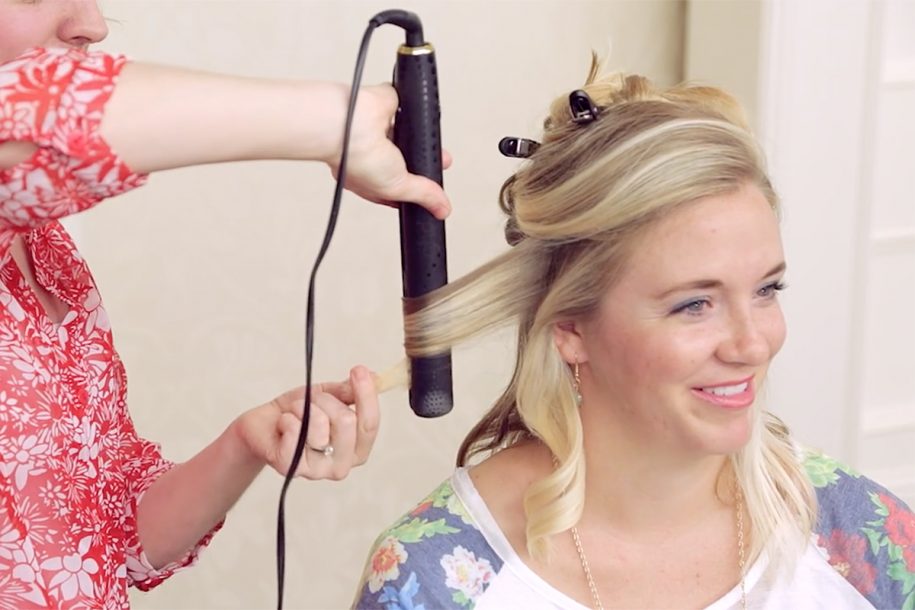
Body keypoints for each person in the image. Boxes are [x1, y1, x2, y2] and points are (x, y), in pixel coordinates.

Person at [353, 59, 915, 609]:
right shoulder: (435, 579)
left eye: (767, 290)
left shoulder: (861, 535)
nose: (752, 345)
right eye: (695, 304)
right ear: (570, 326)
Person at [0, 0, 452, 608]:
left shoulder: (46, 250)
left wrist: (245, 443)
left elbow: (102, 543)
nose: (92, 23)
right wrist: (336, 121)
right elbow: (33, 115)